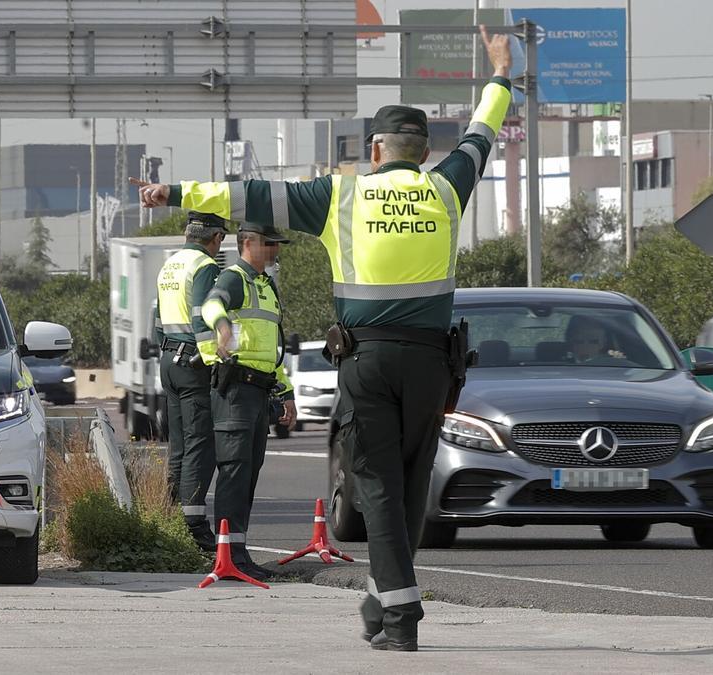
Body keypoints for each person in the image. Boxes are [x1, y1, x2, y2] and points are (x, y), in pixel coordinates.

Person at [132, 26, 513, 650]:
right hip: (432, 363)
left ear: (375, 148)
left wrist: (172, 193)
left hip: (368, 361)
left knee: (377, 480)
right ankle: (384, 594)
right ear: (422, 151)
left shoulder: (342, 195)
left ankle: (400, 615)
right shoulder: (448, 189)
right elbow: (482, 135)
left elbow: (250, 194)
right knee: (413, 479)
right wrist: (499, 74)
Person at [198, 220, 297, 581]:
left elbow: (271, 348)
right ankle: (227, 557)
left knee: (248, 472)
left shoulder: (266, 285)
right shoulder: (234, 278)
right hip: (236, 389)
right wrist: (222, 326)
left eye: (277, 244)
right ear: (247, 243)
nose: (275, 250)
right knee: (235, 471)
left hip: (259, 389)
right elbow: (211, 305)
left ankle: (237, 553)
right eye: (269, 243)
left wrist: (285, 391)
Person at [153, 211, 228, 551]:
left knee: (179, 444)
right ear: (216, 238)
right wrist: (215, 359)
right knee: (201, 443)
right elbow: (202, 315)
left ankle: (170, 517)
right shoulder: (205, 267)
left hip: (168, 359)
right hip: (193, 360)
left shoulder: (169, 265)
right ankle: (194, 526)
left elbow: (157, 320)